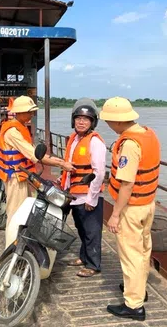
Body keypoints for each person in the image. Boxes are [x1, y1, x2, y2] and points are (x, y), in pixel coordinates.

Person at [100, 97, 160, 321]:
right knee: (143, 250)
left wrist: (115, 214)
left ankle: (134, 306)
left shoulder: (129, 145)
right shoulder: (148, 134)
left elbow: (126, 183)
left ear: (117, 121)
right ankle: (137, 289)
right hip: (148, 204)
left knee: (130, 255)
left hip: (132, 207)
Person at [0, 95, 75, 248]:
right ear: (20, 112)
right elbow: (34, 155)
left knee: (26, 212)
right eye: (29, 111)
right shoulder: (13, 132)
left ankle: (22, 245)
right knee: (15, 214)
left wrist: (59, 161)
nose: (32, 114)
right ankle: (11, 249)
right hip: (15, 178)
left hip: (24, 177)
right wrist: (62, 164)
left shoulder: (20, 127)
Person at [60, 99, 106, 278]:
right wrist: (62, 180)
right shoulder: (73, 139)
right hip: (73, 193)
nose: (81, 122)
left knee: (92, 231)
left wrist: (92, 198)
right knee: (81, 228)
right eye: (78, 118)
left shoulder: (95, 142)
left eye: (86, 119)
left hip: (87, 195)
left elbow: (99, 172)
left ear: (92, 122)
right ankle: (84, 256)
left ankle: (93, 265)